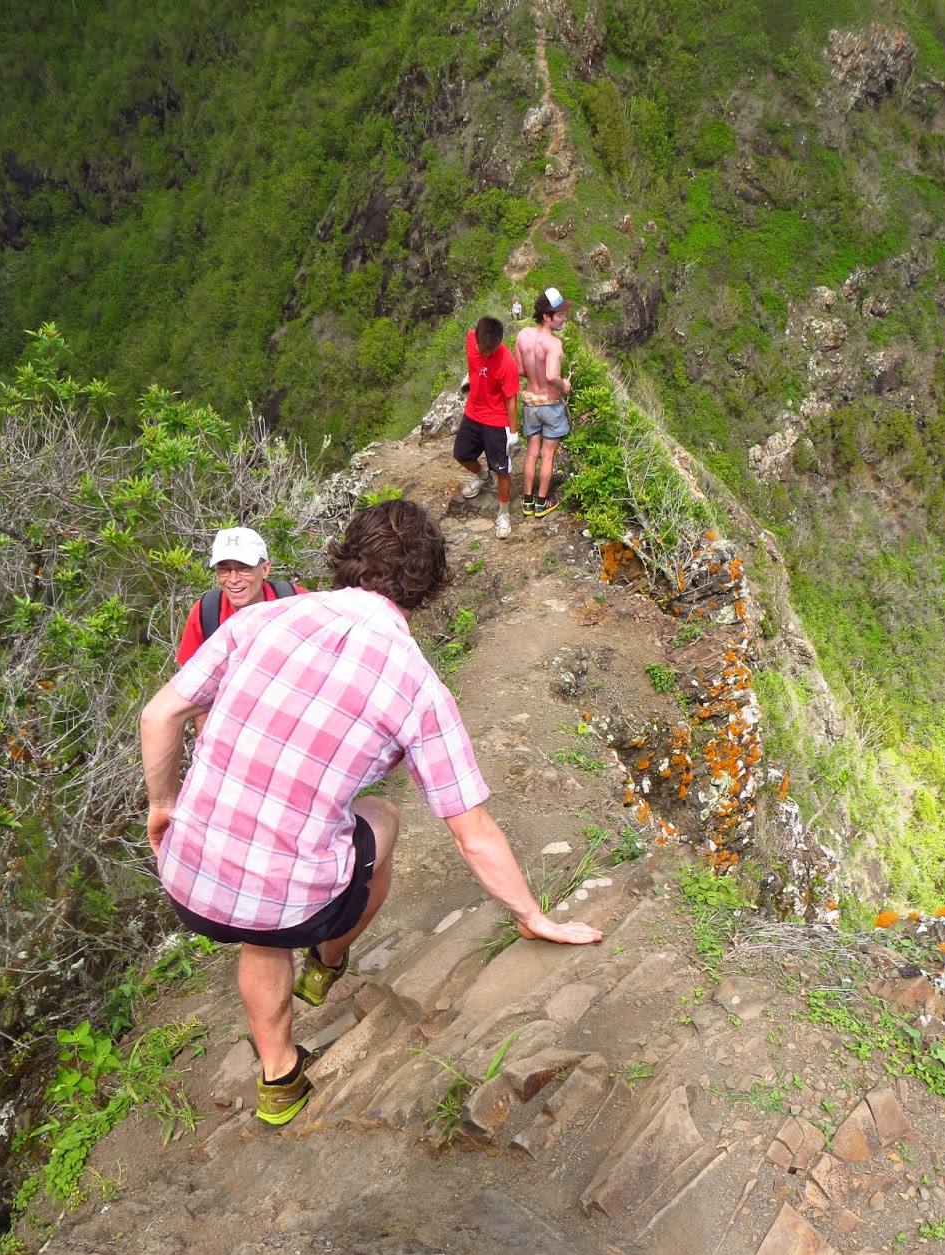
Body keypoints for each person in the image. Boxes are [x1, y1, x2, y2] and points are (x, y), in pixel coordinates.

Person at [140, 498, 602, 1128]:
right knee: (380, 817)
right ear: (427, 584)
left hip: (187, 875)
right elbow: (472, 832)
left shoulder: (258, 621)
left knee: (262, 921)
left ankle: (280, 1079)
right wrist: (531, 916)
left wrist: (163, 805)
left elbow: (159, 716)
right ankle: (328, 960)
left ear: (347, 555)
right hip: (287, 898)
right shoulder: (416, 685)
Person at [176, 526, 305, 666]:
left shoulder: (295, 601)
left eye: (244, 568)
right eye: (224, 569)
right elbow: (189, 675)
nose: (233, 579)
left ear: (265, 569)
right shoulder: (206, 613)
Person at [453, 315, 520, 542]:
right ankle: (483, 477)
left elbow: (511, 400)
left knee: (502, 469)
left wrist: (513, 434)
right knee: (461, 454)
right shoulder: (471, 338)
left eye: (492, 351)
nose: (487, 354)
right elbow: (475, 364)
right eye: (483, 350)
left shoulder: (506, 362)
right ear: (477, 341)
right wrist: (471, 379)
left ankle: (504, 514)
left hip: (497, 419)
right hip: (473, 412)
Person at [515, 287, 572, 519]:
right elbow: (551, 376)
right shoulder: (554, 344)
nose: (564, 319)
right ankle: (541, 502)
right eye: (560, 315)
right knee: (547, 455)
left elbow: (520, 370)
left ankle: (527, 500)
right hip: (550, 405)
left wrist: (534, 375)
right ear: (547, 317)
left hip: (531, 404)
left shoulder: (523, 336)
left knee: (531, 453)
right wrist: (563, 385)